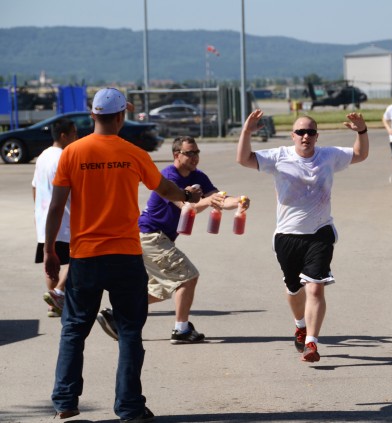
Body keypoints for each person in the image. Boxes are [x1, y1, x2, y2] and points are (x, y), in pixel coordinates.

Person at [44, 88, 202, 421]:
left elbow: (56, 206)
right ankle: (129, 407)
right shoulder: (133, 152)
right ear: (120, 117)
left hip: (85, 256)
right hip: (125, 255)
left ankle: (65, 401)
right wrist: (186, 195)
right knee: (129, 332)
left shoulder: (71, 153)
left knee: (74, 329)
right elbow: (164, 188)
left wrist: (49, 251)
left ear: (92, 116)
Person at [236, 109, 368, 363]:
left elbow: (360, 154)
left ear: (316, 136)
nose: (305, 136)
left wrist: (361, 131)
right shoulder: (278, 157)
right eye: (300, 132)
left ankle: (312, 343)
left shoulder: (329, 156)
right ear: (293, 135)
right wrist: (246, 132)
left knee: (315, 289)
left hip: (320, 233)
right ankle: (300, 325)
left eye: (310, 132)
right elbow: (243, 159)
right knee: (294, 288)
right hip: (287, 235)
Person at [95, 135, 249, 344]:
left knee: (159, 291)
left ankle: (115, 314)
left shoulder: (198, 176)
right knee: (188, 277)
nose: (195, 157)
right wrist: (208, 200)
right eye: (189, 153)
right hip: (151, 237)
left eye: (197, 152)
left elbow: (218, 197)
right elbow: (188, 206)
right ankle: (181, 330)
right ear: (177, 154)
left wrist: (238, 202)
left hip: (157, 239)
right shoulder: (169, 176)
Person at [33, 118, 77, 318]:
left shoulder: (43, 155)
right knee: (80, 259)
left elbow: (34, 186)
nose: (76, 137)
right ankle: (58, 293)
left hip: (44, 220)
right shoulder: (64, 156)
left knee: (50, 262)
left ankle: (53, 304)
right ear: (63, 135)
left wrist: (38, 211)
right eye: (74, 133)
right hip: (64, 219)